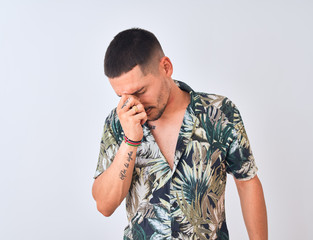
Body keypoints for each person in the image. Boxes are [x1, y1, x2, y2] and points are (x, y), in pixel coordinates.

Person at [92, 28, 268, 240]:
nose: (134, 103)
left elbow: (247, 181)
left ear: (166, 67)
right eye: (122, 96)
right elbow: (104, 205)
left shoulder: (219, 112)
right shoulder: (119, 121)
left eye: (140, 91)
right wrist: (130, 140)